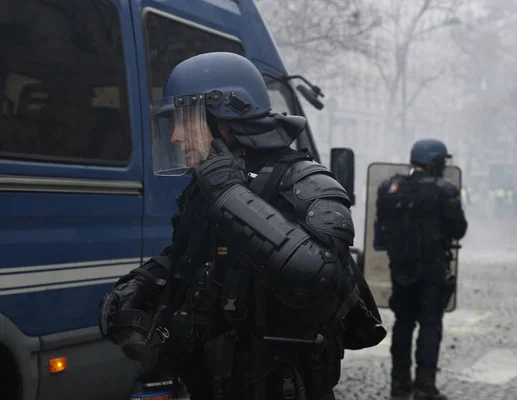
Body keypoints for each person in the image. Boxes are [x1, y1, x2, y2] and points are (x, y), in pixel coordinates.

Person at [97, 52, 386, 400]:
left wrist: (227, 193)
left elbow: (318, 271)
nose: (174, 136)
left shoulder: (306, 181)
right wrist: (145, 280)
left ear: (225, 122)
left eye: (184, 121)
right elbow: (194, 253)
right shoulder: (209, 185)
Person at [376, 139, 467, 400]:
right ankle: (424, 387)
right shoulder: (444, 189)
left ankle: (399, 385)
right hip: (432, 270)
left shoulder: (388, 187)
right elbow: (458, 229)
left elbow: (380, 230)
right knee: (430, 324)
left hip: (401, 268)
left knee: (403, 324)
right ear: (435, 162)